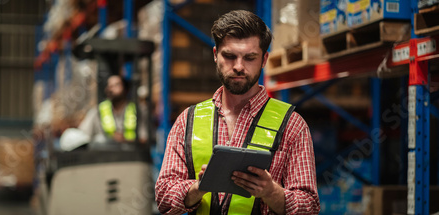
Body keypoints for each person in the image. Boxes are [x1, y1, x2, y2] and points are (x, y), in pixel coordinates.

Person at [155, 10, 320, 214]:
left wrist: (271, 192)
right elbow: (163, 197)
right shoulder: (188, 121)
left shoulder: (292, 125)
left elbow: (309, 206)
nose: (239, 67)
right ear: (216, 55)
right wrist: (198, 188)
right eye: (230, 56)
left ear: (264, 59)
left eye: (250, 57)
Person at [76, 75, 147, 149]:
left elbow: (145, 139)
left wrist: (124, 140)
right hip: (105, 157)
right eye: (109, 86)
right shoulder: (98, 111)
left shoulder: (139, 111)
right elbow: (82, 135)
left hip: (132, 156)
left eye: (116, 85)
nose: (111, 89)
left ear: (126, 89)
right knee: (99, 140)